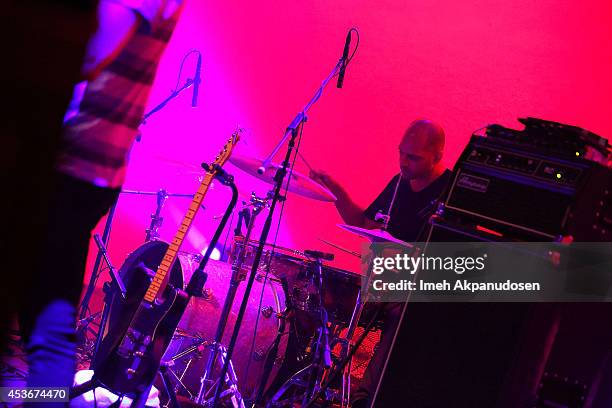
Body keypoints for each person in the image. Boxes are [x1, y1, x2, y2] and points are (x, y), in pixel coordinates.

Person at [17, 0, 185, 398]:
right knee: (46, 315)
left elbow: (91, 51)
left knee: (46, 320)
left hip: (71, 161)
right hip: (79, 162)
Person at [310, 119, 452, 407]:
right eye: (401, 152)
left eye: (413, 157)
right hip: (384, 286)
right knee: (315, 294)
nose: (403, 161)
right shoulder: (400, 183)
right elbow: (363, 223)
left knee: (400, 316)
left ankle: (365, 397)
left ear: (437, 156)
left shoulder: (450, 191)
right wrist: (335, 190)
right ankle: (304, 382)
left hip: (418, 298)